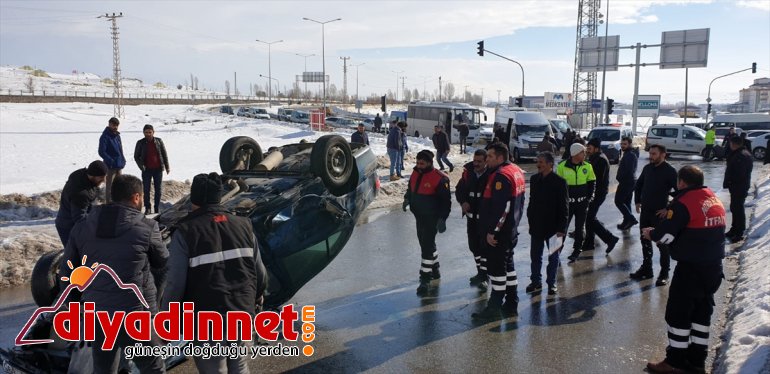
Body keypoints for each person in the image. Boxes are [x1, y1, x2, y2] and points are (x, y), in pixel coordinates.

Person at [61, 174, 168, 374]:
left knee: (104, 369)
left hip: (97, 317)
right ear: (136, 197)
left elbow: (67, 273)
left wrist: (80, 308)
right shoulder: (147, 228)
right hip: (135, 316)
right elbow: (162, 262)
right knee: (153, 368)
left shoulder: (82, 227)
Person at [163, 173, 268, 374]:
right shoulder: (244, 226)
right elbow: (259, 272)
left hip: (206, 320)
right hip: (241, 312)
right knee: (240, 365)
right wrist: (256, 299)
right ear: (218, 198)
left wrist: (168, 318)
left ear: (193, 200)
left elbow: (174, 283)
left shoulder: (185, 232)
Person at [642, 165, 726, 374]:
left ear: (681, 182)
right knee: (701, 315)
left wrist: (651, 234)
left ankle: (675, 362)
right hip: (713, 268)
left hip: (691, 269)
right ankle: (697, 361)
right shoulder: (712, 198)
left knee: (678, 315)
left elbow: (666, 236)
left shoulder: (683, 203)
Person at [472, 143, 526, 320]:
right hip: (510, 231)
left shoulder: (501, 176)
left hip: (499, 235)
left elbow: (503, 208)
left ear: (500, 157)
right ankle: (512, 303)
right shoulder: (515, 170)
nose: (486, 160)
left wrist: (493, 232)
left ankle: (494, 308)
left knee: (497, 272)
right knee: (508, 268)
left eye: (490, 157)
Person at [402, 150, 451, 296]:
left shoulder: (440, 178)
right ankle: (435, 269)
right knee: (425, 244)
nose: (418, 165)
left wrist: (443, 219)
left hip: (432, 217)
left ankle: (425, 279)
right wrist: (406, 199)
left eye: (422, 163)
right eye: (417, 162)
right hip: (419, 216)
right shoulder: (416, 173)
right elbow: (411, 188)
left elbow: (446, 202)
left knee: (426, 247)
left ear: (430, 163)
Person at [631, 144, 678, 286]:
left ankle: (664, 273)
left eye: (654, 154)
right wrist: (638, 201)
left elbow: (680, 193)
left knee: (662, 244)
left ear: (663, 154)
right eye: (650, 154)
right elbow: (638, 185)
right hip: (646, 212)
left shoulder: (670, 171)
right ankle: (647, 269)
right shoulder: (647, 168)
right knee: (644, 240)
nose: (651, 156)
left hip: (660, 215)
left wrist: (668, 208)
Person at [526, 152, 568, 296]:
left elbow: (564, 207)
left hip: (554, 229)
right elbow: (531, 202)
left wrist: (562, 228)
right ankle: (535, 281)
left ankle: (552, 283)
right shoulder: (534, 179)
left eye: (542, 162)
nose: (539, 164)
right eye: (538, 162)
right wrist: (530, 220)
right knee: (535, 257)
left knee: (553, 258)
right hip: (537, 226)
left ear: (550, 164)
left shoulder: (560, 182)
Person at [455, 149, 489, 291]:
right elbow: (459, 190)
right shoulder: (468, 172)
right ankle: (480, 272)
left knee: (484, 249)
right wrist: (463, 202)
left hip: (485, 220)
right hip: (471, 218)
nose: (476, 164)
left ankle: (484, 276)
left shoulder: (492, 174)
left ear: (486, 161)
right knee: (474, 247)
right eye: (474, 160)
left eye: (479, 161)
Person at [556, 142, 596, 263]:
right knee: (561, 228)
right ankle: (555, 253)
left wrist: (589, 198)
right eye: (582, 152)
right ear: (575, 153)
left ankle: (577, 251)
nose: (585, 154)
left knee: (580, 229)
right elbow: (557, 186)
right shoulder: (562, 166)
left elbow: (592, 182)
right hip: (567, 204)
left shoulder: (587, 166)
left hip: (582, 204)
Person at [55, 160, 108, 246]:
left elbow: (94, 193)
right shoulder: (81, 194)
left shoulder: (80, 175)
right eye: (102, 177)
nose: (104, 181)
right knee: (76, 254)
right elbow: (79, 218)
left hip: (71, 223)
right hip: (69, 227)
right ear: (94, 176)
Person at [584, 139, 620, 253]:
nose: (588, 151)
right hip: (593, 192)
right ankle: (589, 243)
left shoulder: (601, 160)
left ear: (596, 148)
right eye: (587, 149)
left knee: (590, 217)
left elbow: (596, 179)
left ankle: (610, 238)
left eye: (590, 149)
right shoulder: (594, 158)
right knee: (588, 218)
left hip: (598, 193)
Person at [134, 124, 170, 214]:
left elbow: (164, 154)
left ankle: (157, 207)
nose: (148, 134)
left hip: (158, 169)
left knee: (158, 190)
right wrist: (141, 166)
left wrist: (167, 166)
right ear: (143, 133)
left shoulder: (159, 141)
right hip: (146, 170)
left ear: (153, 132)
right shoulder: (140, 143)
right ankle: (148, 208)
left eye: (150, 132)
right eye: (146, 132)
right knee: (146, 189)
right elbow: (136, 156)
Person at [723, 136, 753, 243]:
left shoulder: (741, 155)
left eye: (730, 143)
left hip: (739, 187)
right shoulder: (740, 154)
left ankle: (739, 232)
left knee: (738, 209)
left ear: (734, 144)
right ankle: (734, 229)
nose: (730, 146)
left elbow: (740, 174)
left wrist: (731, 182)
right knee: (734, 208)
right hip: (737, 186)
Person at [98, 117, 126, 203]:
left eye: (117, 125)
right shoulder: (105, 136)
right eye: (113, 125)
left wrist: (123, 159)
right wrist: (110, 160)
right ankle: (109, 205)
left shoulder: (117, 136)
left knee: (119, 185)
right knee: (109, 187)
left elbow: (120, 149)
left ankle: (118, 203)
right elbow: (101, 151)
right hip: (110, 166)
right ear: (109, 124)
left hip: (119, 165)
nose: (115, 127)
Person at [616, 137, 639, 230]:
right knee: (626, 202)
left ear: (629, 144)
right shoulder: (628, 154)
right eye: (621, 144)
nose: (622, 146)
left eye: (625, 144)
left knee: (618, 201)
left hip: (627, 182)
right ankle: (626, 222)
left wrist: (621, 178)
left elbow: (629, 171)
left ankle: (631, 219)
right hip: (629, 182)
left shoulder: (630, 155)